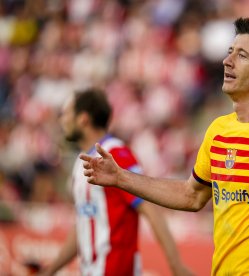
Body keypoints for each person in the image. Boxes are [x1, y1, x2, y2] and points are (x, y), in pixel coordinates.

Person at [80, 18, 249, 275]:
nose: (227, 61)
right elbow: (191, 196)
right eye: (229, 52)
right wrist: (121, 177)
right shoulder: (219, 130)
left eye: (242, 55)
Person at [40, 89, 192, 276]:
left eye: (67, 114)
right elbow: (83, 225)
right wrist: (50, 270)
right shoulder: (81, 163)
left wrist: (176, 265)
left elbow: (151, 210)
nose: (62, 120)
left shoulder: (115, 155)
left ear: (83, 119)